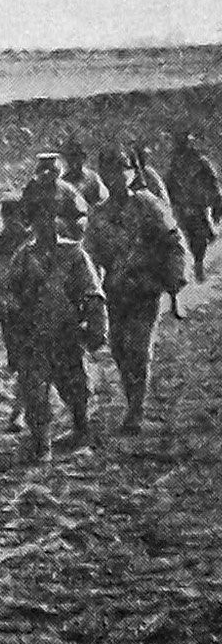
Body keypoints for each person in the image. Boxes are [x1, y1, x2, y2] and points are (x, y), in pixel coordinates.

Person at [86, 150, 188, 435]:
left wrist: (175, 277)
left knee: (139, 350)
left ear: (131, 173)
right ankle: (132, 398)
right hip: (116, 291)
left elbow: (173, 240)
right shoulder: (98, 215)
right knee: (119, 349)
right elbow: (89, 257)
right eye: (110, 172)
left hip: (145, 289)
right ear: (103, 176)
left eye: (122, 170)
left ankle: (135, 410)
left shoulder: (148, 205)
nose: (116, 177)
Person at [0, 185, 105, 462]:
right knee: (35, 391)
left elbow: (93, 291)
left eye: (49, 216)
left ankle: (81, 428)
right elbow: (8, 292)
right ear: (31, 222)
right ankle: (41, 442)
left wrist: (96, 326)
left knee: (74, 386)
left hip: (67, 333)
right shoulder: (23, 256)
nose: (44, 224)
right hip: (34, 334)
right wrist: (15, 317)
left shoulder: (74, 254)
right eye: (37, 218)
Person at [0, 197, 32, 431]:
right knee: (20, 361)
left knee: (29, 361)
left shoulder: (31, 242)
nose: (10, 223)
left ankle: (19, 411)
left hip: (31, 312)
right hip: (9, 314)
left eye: (14, 217)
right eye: (6, 218)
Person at [166, 132, 222, 284]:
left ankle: (198, 264)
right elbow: (169, 185)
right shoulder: (175, 163)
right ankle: (193, 266)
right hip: (183, 207)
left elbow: (213, 182)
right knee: (190, 237)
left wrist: (217, 202)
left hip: (196, 205)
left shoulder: (200, 162)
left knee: (198, 236)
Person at [61, 139, 108, 212]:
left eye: (75, 155)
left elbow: (105, 195)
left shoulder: (92, 175)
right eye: (68, 156)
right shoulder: (62, 181)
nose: (72, 160)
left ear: (83, 157)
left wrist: (97, 207)